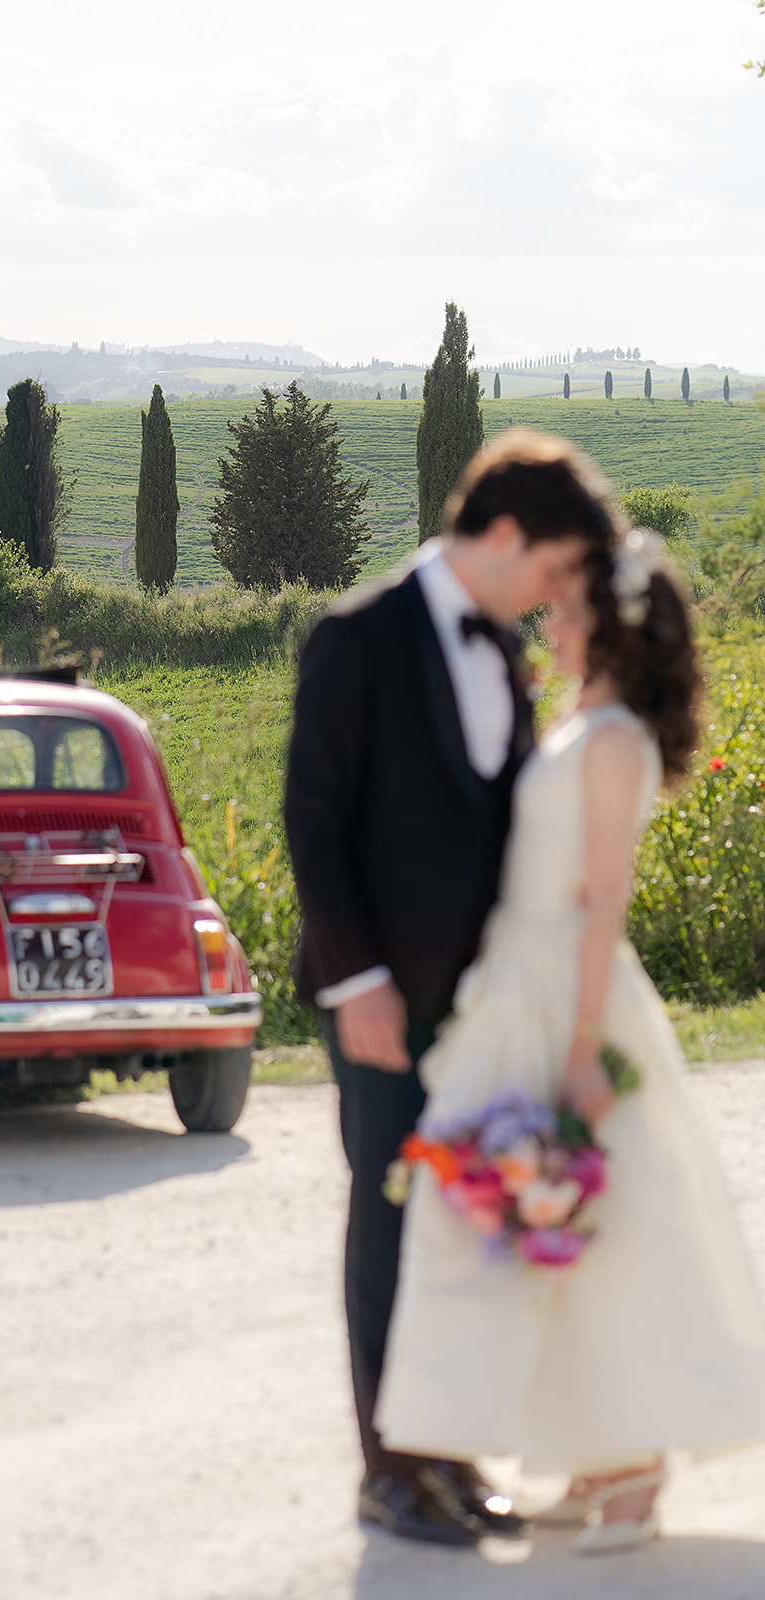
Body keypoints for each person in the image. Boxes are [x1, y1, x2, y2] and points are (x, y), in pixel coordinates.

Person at [375, 532, 765, 1552]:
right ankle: (596, 1455)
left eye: (569, 608)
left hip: (565, 994)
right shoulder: (572, 724)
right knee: (520, 1223)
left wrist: (582, 1047)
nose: (549, 619)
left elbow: (601, 905)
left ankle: (633, 1466)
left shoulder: (611, 741)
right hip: (511, 984)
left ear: (608, 626)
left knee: (588, 1227)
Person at [283, 430, 618, 1546]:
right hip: (381, 1004)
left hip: (486, 1006)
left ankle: (450, 1449)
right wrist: (360, 983)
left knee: (469, 1226)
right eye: (553, 570)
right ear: (506, 534)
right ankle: (387, 1469)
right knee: (388, 1223)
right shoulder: (355, 636)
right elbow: (313, 824)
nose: (554, 594)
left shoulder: (505, 652)